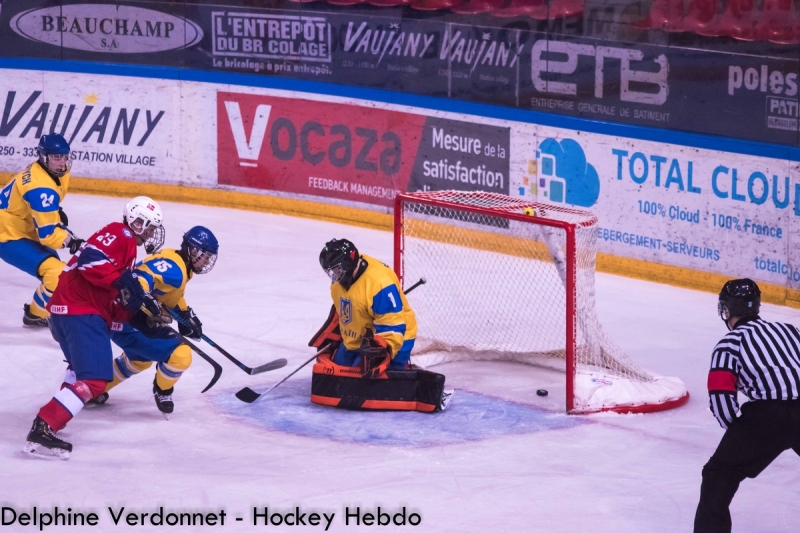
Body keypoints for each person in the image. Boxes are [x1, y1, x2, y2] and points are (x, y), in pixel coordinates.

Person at [22, 196, 165, 460]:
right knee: (95, 381)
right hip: (80, 312)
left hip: (66, 313)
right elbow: (89, 259)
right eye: (151, 227)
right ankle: (43, 426)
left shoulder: (127, 250)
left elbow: (113, 297)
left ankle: (54, 420)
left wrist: (140, 320)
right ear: (137, 222)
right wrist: (123, 279)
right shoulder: (120, 233)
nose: (152, 233)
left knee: (79, 371)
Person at [694, 278, 800, 533]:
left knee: (719, 475)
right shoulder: (790, 331)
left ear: (726, 310)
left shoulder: (729, 344)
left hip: (765, 418)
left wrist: (740, 434)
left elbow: (721, 397)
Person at [95, 226, 219, 417]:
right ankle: (163, 391)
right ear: (193, 250)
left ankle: (92, 390)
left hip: (119, 316)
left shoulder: (176, 259)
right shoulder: (176, 271)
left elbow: (166, 291)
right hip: (129, 319)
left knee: (139, 360)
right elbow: (140, 278)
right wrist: (143, 296)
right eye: (206, 256)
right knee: (181, 355)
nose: (208, 261)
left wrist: (185, 314)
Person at [0, 133, 83, 327]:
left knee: (58, 271)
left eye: (64, 156)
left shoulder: (50, 171)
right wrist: (71, 241)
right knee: (58, 273)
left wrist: (53, 211)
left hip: (21, 225)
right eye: (56, 157)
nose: (62, 162)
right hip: (7, 234)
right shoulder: (40, 189)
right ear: (43, 157)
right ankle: (35, 314)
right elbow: (48, 236)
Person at [316, 238, 417, 372]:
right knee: (335, 376)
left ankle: (398, 366)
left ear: (347, 264)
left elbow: (394, 325)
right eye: (331, 271)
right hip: (357, 338)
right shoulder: (340, 280)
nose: (334, 276)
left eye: (336, 270)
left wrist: (382, 350)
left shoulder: (380, 284)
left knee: (369, 386)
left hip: (396, 337)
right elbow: (347, 308)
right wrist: (334, 332)